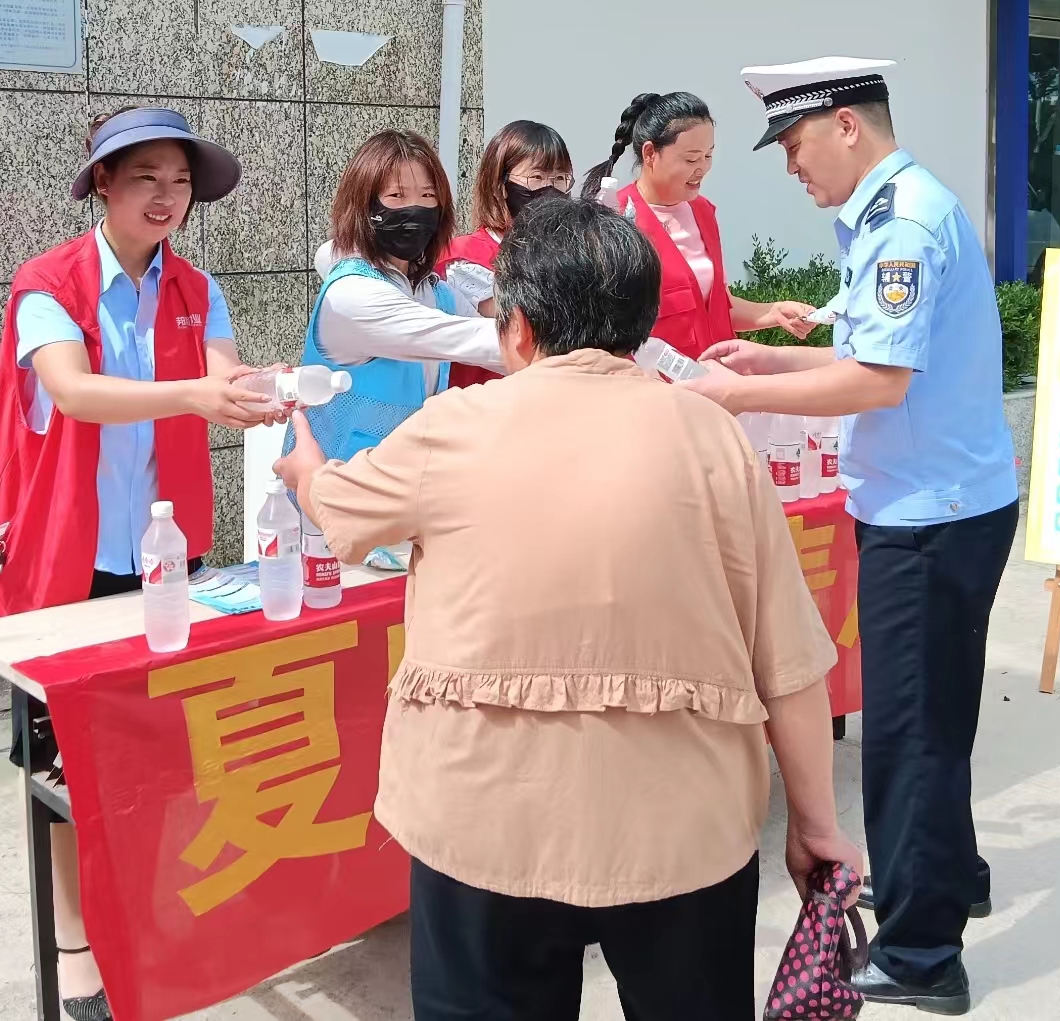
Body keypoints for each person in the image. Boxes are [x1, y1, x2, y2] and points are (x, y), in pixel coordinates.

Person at [274, 196, 861, 1020]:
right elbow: (789, 659)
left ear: (515, 327)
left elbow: (337, 510)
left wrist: (303, 463)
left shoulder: (453, 428)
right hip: (682, 832)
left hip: (485, 825)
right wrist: (815, 822)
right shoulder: (713, 438)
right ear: (640, 322)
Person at [684, 57, 1019, 1015]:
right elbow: (878, 347)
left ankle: (921, 953)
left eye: (793, 146)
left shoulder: (901, 220)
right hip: (943, 501)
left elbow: (880, 383)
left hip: (929, 517)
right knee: (937, 714)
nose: (791, 168)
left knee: (910, 734)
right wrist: (771, 352)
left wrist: (737, 389)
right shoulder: (896, 207)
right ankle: (949, 874)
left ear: (843, 125)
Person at [0, 106, 283, 1021]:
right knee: (62, 769)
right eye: (147, 180)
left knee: (163, 748)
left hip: (169, 552)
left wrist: (272, 391)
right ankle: (77, 950)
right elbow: (75, 391)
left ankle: (149, 916)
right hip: (65, 557)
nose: (167, 198)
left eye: (180, 182)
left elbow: (227, 375)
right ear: (102, 184)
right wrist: (200, 393)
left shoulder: (196, 288)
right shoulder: (47, 282)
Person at [296, 130, 506, 465]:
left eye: (427, 195)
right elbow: (475, 339)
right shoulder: (351, 295)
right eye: (396, 195)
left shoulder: (436, 293)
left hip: (405, 484)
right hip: (336, 489)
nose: (416, 209)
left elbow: (504, 348)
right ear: (363, 205)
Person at [580, 92, 817, 358]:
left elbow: (715, 306)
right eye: (691, 159)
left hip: (718, 379)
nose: (702, 168)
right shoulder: (616, 219)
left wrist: (773, 311)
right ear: (650, 153)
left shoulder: (702, 212)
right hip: (657, 388)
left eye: (708, 156)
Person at [434, 119, 575, 387]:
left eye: (559, 178)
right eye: (536, 178)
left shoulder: (565, 254)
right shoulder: (463, 256)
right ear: (500, 186)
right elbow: (525, 326)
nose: (551, 189)